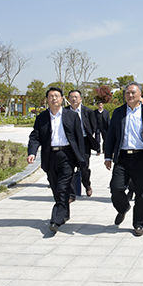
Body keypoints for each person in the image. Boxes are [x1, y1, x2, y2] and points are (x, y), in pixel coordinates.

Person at [27, 87, 86, 233]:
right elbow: (35, 137)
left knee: (62, 187)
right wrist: (32, 152)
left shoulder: (71, 116)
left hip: (67, 156)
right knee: (55, 188)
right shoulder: (42, 118)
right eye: (51, 96)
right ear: (47, 100)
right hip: (50, 156)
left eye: (56, 96)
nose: (54, 98)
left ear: (62, 99)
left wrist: (81, 159)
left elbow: (79, 138)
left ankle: (55, 221)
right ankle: (64, 213)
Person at [104, 82, 143, 236]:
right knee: (116, 188)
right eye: (127, 92)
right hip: (122, 157)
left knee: (141, 194)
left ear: (140, 95)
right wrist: (108, 156)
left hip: (140, 157)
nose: (130, 95)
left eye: (133, 93)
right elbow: (111, 136)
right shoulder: (118, 113)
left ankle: (138, 224)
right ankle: (123, 208)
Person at [66, 89, 99, 198]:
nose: (73, 99)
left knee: (84, 166)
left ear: (80, 99)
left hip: (84, 142)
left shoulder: (88, 111)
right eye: (71, 97)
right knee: (69, 167)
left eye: (76, 97)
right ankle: (71, 193)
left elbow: (93, 126)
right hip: (69, 142)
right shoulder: (65, 111)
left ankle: (87, 185)